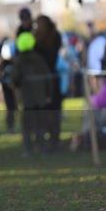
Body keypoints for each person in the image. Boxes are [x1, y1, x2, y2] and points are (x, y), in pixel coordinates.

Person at [11, 32, 53, 156]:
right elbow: (48, 78)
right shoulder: (39, 59)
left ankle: (28, 150)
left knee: (27, 126)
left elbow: (15, 79)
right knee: (41, 124)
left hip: (26, 99)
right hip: (40, 99)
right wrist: (48, 94)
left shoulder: (19, 61)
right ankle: (42, 147)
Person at [34, 15, 63, 151]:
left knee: (52, 111)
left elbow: (49, 58)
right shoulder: (41, 38)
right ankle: (47, 140)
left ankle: (52, 140)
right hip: (44, 80)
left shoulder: (52, 38)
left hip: (47, 79)